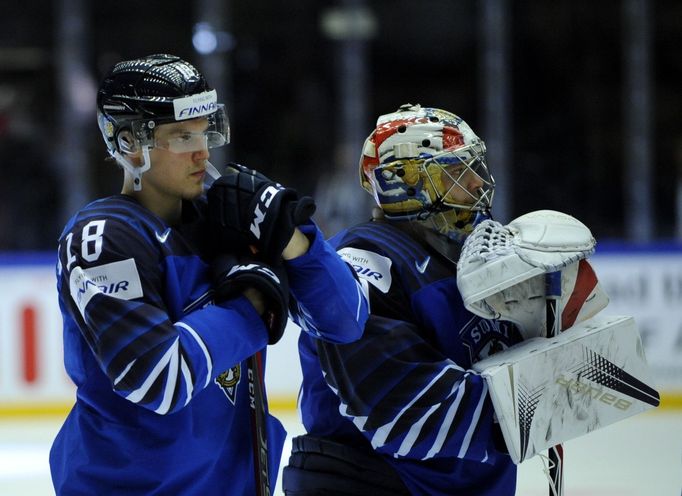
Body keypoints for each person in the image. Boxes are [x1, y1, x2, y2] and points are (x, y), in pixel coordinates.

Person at [49, 53, 368, 495]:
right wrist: (252, 305)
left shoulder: (227, 217)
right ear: (130, 144)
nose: (203, 151)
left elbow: (346, 322)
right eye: (182, 136)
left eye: (205, 130)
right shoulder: (102, 238)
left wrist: (290, 235)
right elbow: (157, 379)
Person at [283, 104, 523, 495]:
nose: (478, 183)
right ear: (406, 183)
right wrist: (542, 391)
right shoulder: (362, 263)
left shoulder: (473, 256)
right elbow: (405, 416)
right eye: (456, 172)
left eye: (475, 167)